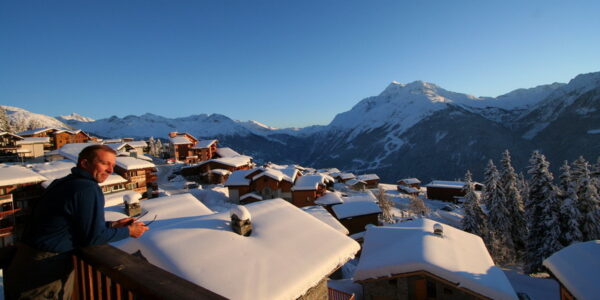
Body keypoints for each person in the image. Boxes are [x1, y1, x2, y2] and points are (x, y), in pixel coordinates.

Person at [5, 144, 149, 300]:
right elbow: (92, 237)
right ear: (85, 164)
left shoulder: (63, 183)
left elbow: (70, 225)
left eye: (113, 165)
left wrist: (112, 225)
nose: (111, 170)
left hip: (25, 262)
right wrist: (129, 231)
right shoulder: (86, 188)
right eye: (104, 163)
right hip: (44, 269)